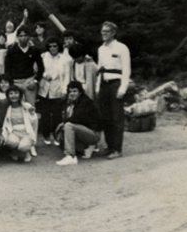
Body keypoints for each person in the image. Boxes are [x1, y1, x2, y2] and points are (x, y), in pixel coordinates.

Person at [96, 21, 131, 160]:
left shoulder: (122, 48)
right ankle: (110, 147)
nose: (103, 34)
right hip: (104, 84)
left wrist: (123, 88)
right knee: (105, 117)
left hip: (116, 84)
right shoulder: (101, 49)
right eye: (102, 31)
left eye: (106, 31)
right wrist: (98, 87)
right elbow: (100, 69)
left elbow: (126, 70)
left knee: (117, 117)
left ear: (113, 33)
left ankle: (117, 149)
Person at [55, 81, 101, 166]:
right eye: (70, 91)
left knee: (68, 125)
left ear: (80, 92)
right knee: (63, 143)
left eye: (75, 91)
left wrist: (62, 123)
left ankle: (71, 156)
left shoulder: (84, 101)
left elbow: (76, 118)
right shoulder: (76, 101)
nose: (72, 93)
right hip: (86, 132)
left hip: (94, 134)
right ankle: (86, 147)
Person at [38, 36, 70, 146]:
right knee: (45, 114)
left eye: (55, 46)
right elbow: (38, 69)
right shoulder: (43, 56)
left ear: (59, 46)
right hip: (44, 89)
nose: (52, 48)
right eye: (50, 46)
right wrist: (44, 75)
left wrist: (65, 91)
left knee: (57, 115)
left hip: (57, 89)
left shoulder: (64, 59)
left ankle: (57, 136)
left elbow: (67, 76)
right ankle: (46, 135)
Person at [4, 25, 44, 106]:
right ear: (17, 37)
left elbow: (41, 67)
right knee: (16, 106)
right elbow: (7, 69)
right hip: (15, 82)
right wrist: (11, 84)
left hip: (29, 81)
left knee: (31, 107)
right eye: (21, 36)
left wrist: (35, 81)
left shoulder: (34, 50)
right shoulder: (12, 50)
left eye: (25, 35)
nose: (23, 38)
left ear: (29, 37)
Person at [1, 85, 38, 162]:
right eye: (11, 93)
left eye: (16, 93)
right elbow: (6, 124)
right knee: (11, 142)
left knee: (23, 147)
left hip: (26, 132)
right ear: (8, 96)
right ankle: (14, 151)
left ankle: (26, 152)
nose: (14, 95)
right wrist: (4, 135)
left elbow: (34, 122)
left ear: (20, 95)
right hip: (14, 132)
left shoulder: (26, 106)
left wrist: (32, 114)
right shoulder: (8, 108)